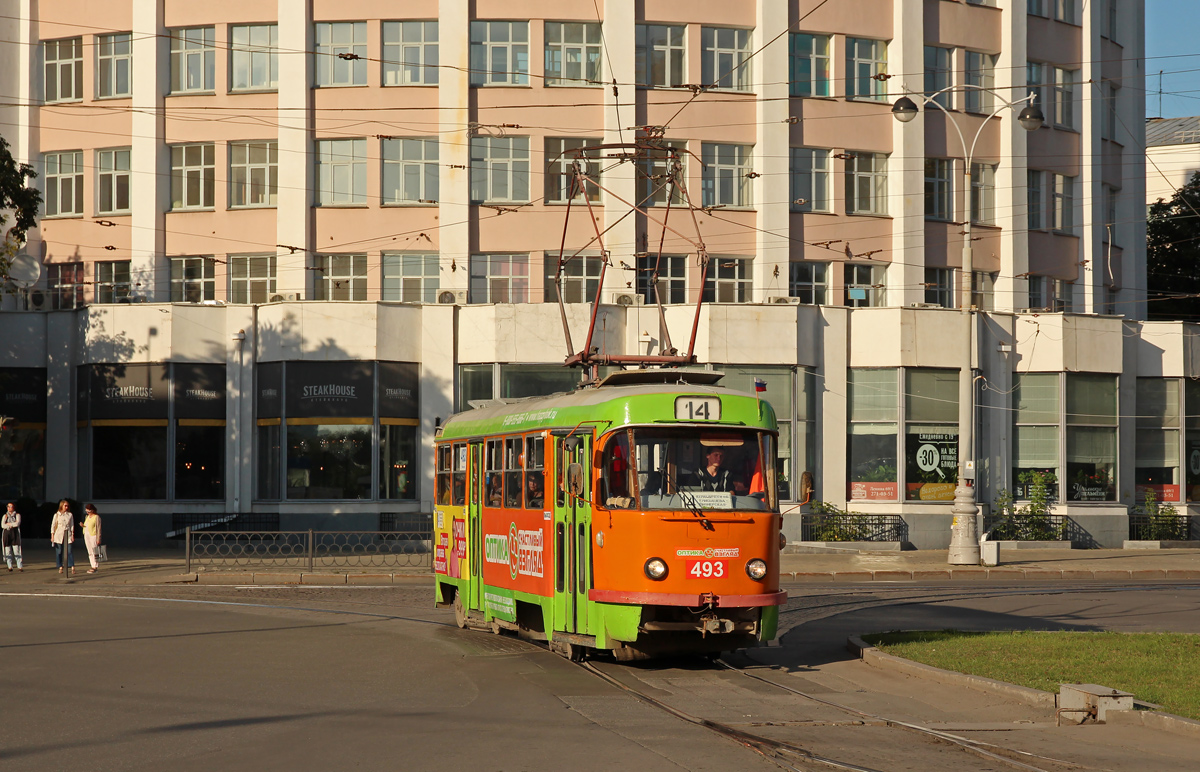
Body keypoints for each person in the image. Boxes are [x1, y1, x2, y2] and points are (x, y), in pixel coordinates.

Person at [50, 499, 75, 576]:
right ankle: (60, 566)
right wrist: (52, 536)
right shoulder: (57, 515)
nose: (66, 507)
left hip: (68, 533)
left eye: (67, 506)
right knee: (59, 551)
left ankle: (72, 566)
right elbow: (53, 525)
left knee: (69, 551)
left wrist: (73, 535)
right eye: (65, 505)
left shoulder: (70, 515)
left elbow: (72, 525)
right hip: (59, 534)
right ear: (61, 506)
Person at [81, 503, 102, 574]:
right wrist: (83, 526)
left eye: (89, 511)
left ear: (92, 510)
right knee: (89, 551)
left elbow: (99, 528)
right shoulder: (87, 517)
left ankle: (95, 566)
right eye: (87, 511)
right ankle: (92, 565)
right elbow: (87, 526)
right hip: (86, 535)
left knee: (94, 551)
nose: (88, 513)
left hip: (93, 535)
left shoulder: (96, 517)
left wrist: (98, 538)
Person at [2, 501, 22, 572]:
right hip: (7, 534)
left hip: (15, 534)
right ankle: (9, 566)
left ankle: (19, 566)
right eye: (8, 506)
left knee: (16, 550)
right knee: (8, 551)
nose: (9, 508)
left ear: (14, 507)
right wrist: (10, 525)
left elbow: (17, 523)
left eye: (11, 506)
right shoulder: (5, 516)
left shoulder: (17, 515)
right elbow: (3, 525)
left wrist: (9, 524)